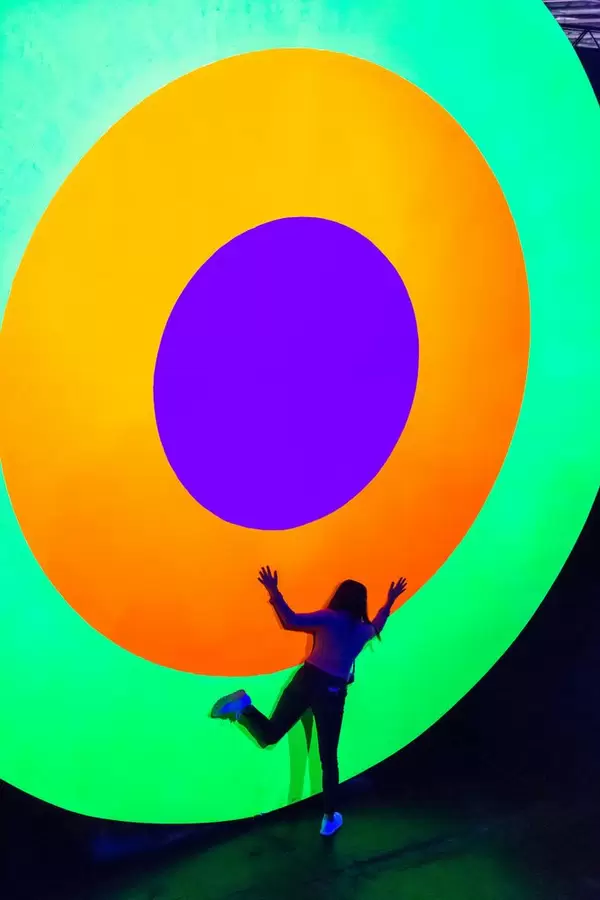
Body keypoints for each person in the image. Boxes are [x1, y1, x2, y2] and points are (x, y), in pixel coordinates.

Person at [211, 566, 407, 837]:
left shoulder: (328, 618)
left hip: (307, 680)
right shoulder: (363, 631)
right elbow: (380, 622)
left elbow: (290, 620)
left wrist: (274, 592)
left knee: (269, 735)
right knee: (328, 758)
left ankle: (244, 706)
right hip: (332, 694)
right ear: (361, 603)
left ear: (339, 596)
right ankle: (329, 818)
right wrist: (390, 600)